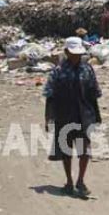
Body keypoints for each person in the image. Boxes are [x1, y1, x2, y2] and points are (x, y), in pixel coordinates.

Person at [43, 37, 102, 197]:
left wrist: (96, 117)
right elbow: (50, 95)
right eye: (74, 53)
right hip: (64, 116)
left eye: (79, 54)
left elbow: (94, 93)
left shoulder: (87, 69)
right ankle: (69, 181)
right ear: (67, 52)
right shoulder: (58, 71)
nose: (77, 57)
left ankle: (80, 181)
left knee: (84, 151)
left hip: (84, 115)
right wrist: (48, 117)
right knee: (66, 150)